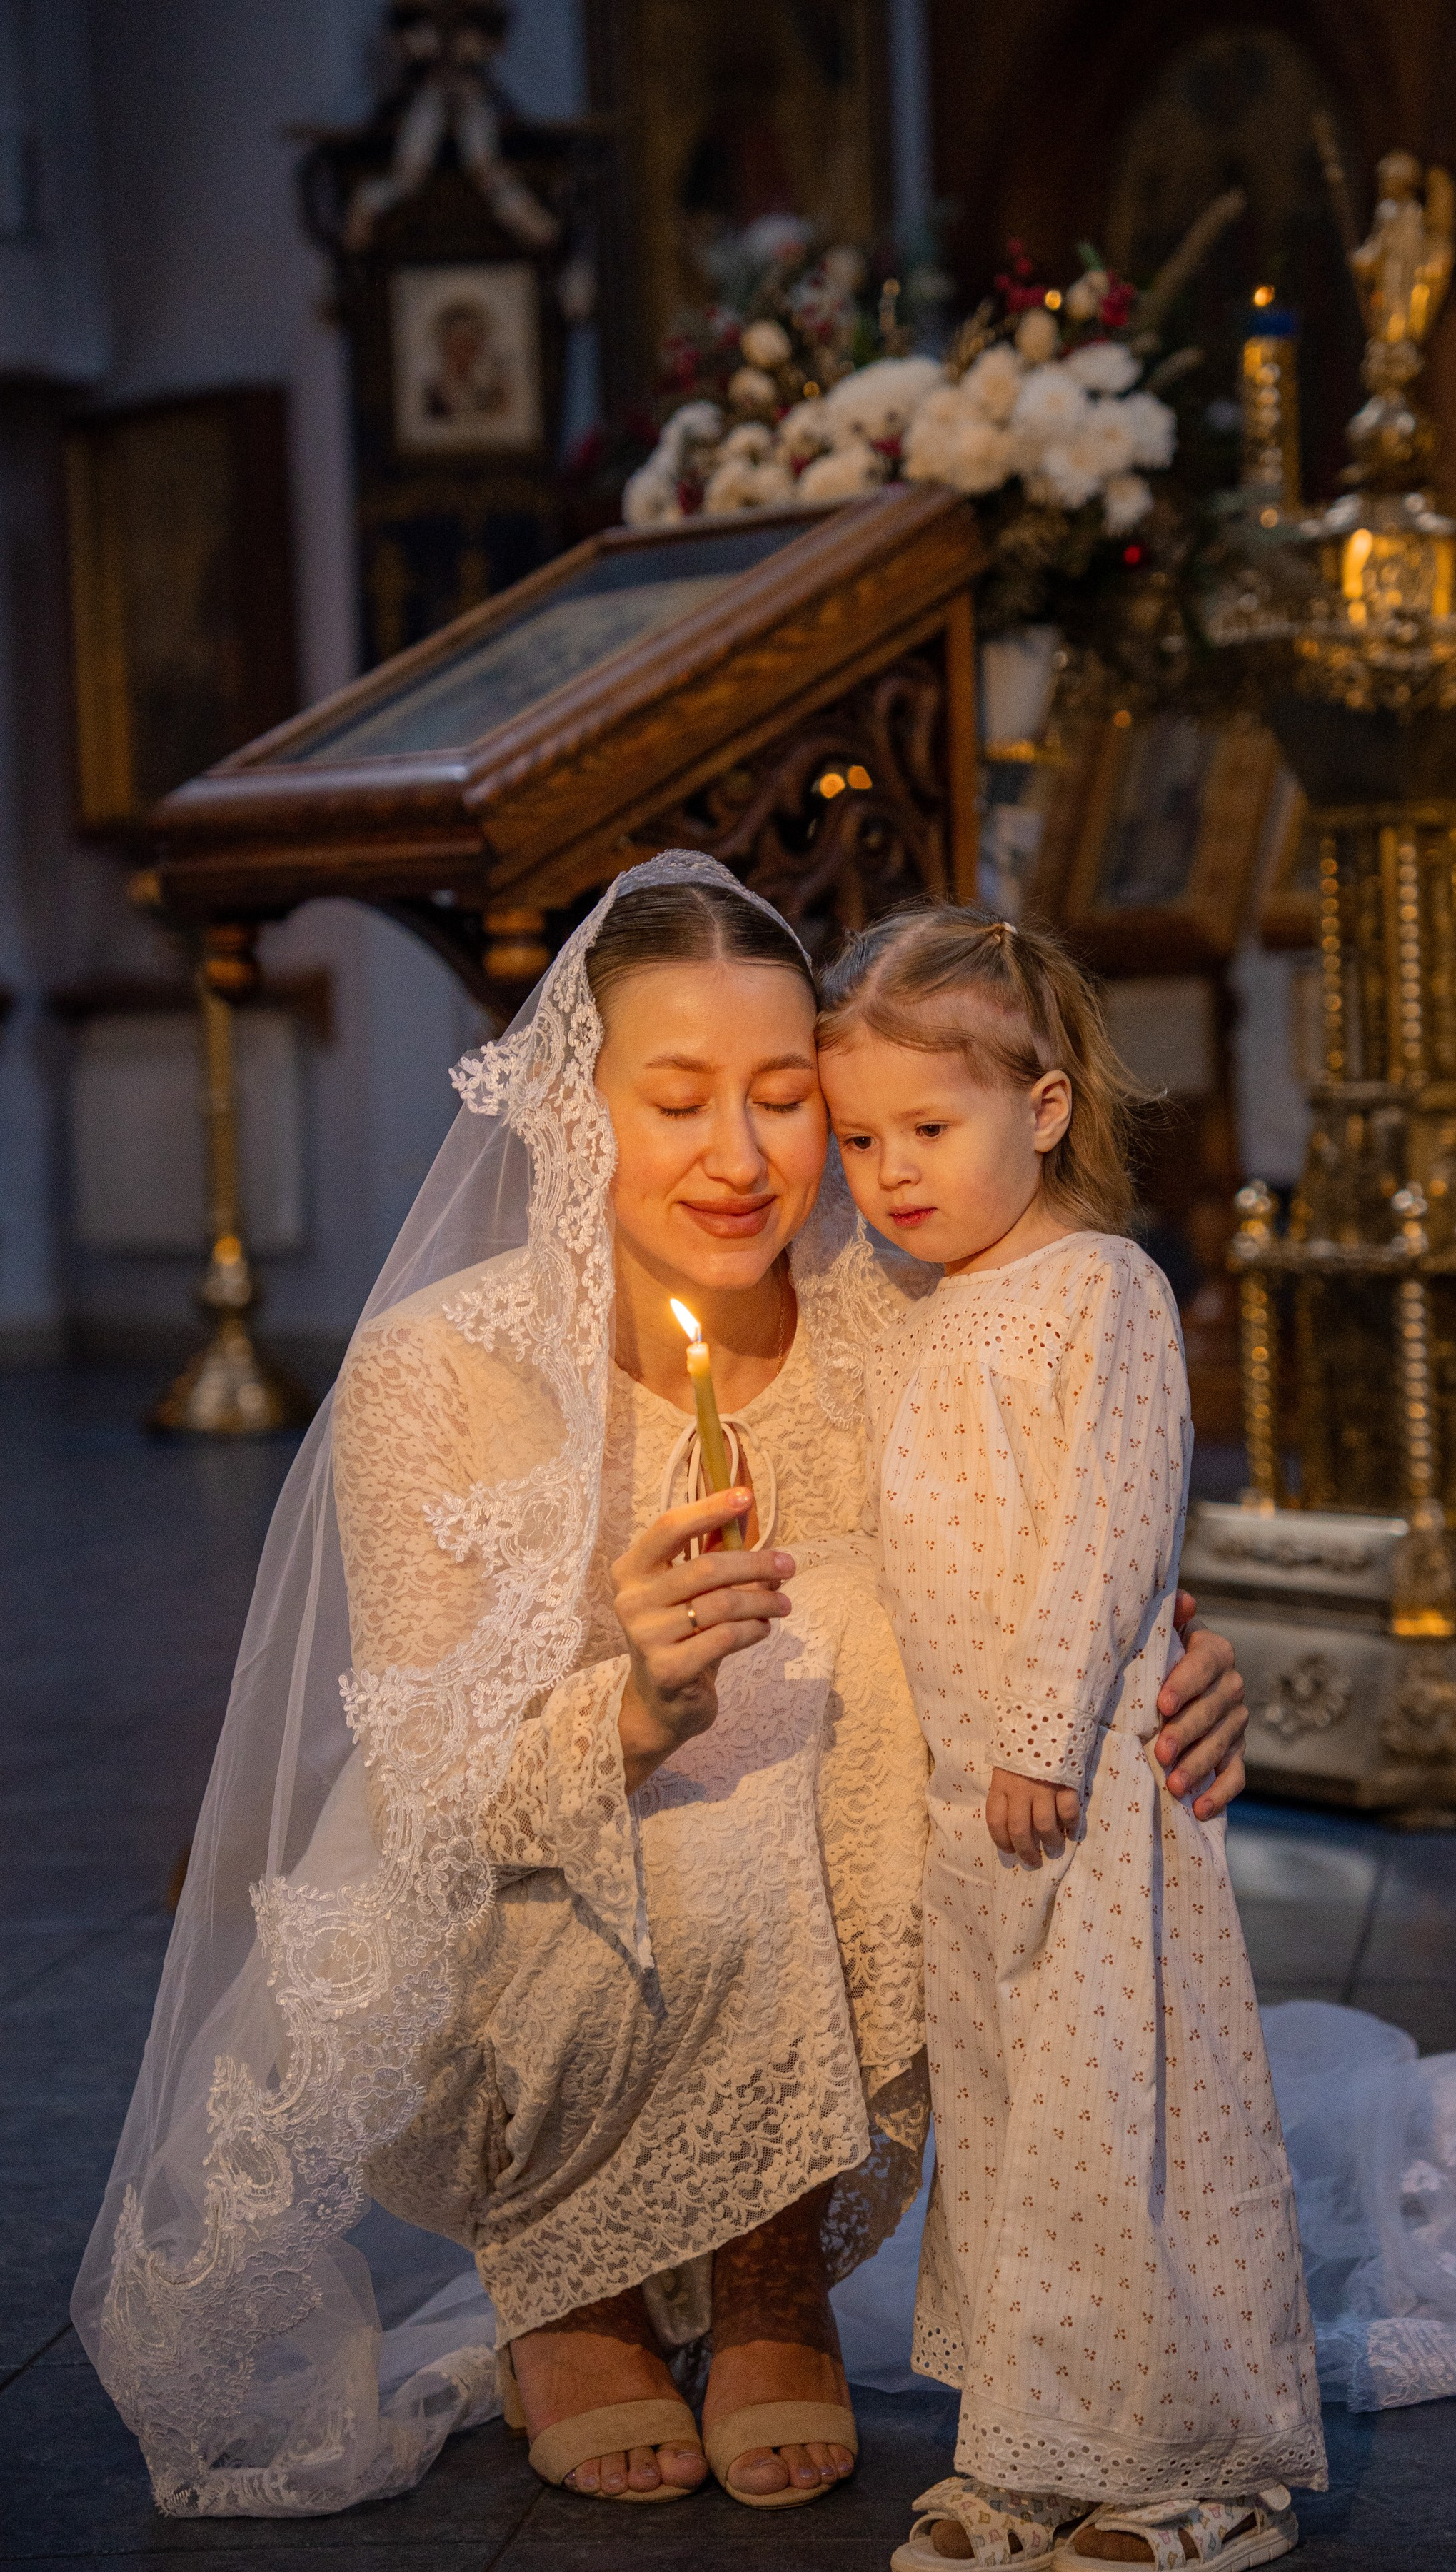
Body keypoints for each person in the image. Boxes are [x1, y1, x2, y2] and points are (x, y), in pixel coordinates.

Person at [74, 854, 1252, 2521]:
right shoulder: (444, 1366)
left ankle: (774, 2273)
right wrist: (634, 1708)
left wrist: (1179, 1669)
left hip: (838, 1907)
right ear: (573, 1106)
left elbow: (1056, 1544)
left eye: (787, 1100)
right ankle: (568, 2273)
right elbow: (426, 1786)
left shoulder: (896, 1318)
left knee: (833, 1640)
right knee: (774, 1680)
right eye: (677, 1099)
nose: (742, 1157)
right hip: (527, 1925)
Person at [819, 905, 1326, 2571]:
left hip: (1087, 1789)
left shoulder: (1096, 1291)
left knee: (1115, 2124)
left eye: (930, 1129)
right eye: (860, 1138)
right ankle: (1026, 2449)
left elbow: (1103, 1537)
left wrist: (1043, 1732)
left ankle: (1187, 2462)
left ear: (1040, 1109)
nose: (889, 1170)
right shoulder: (903, 1311)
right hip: (965, 1809)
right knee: (1011, 2130)